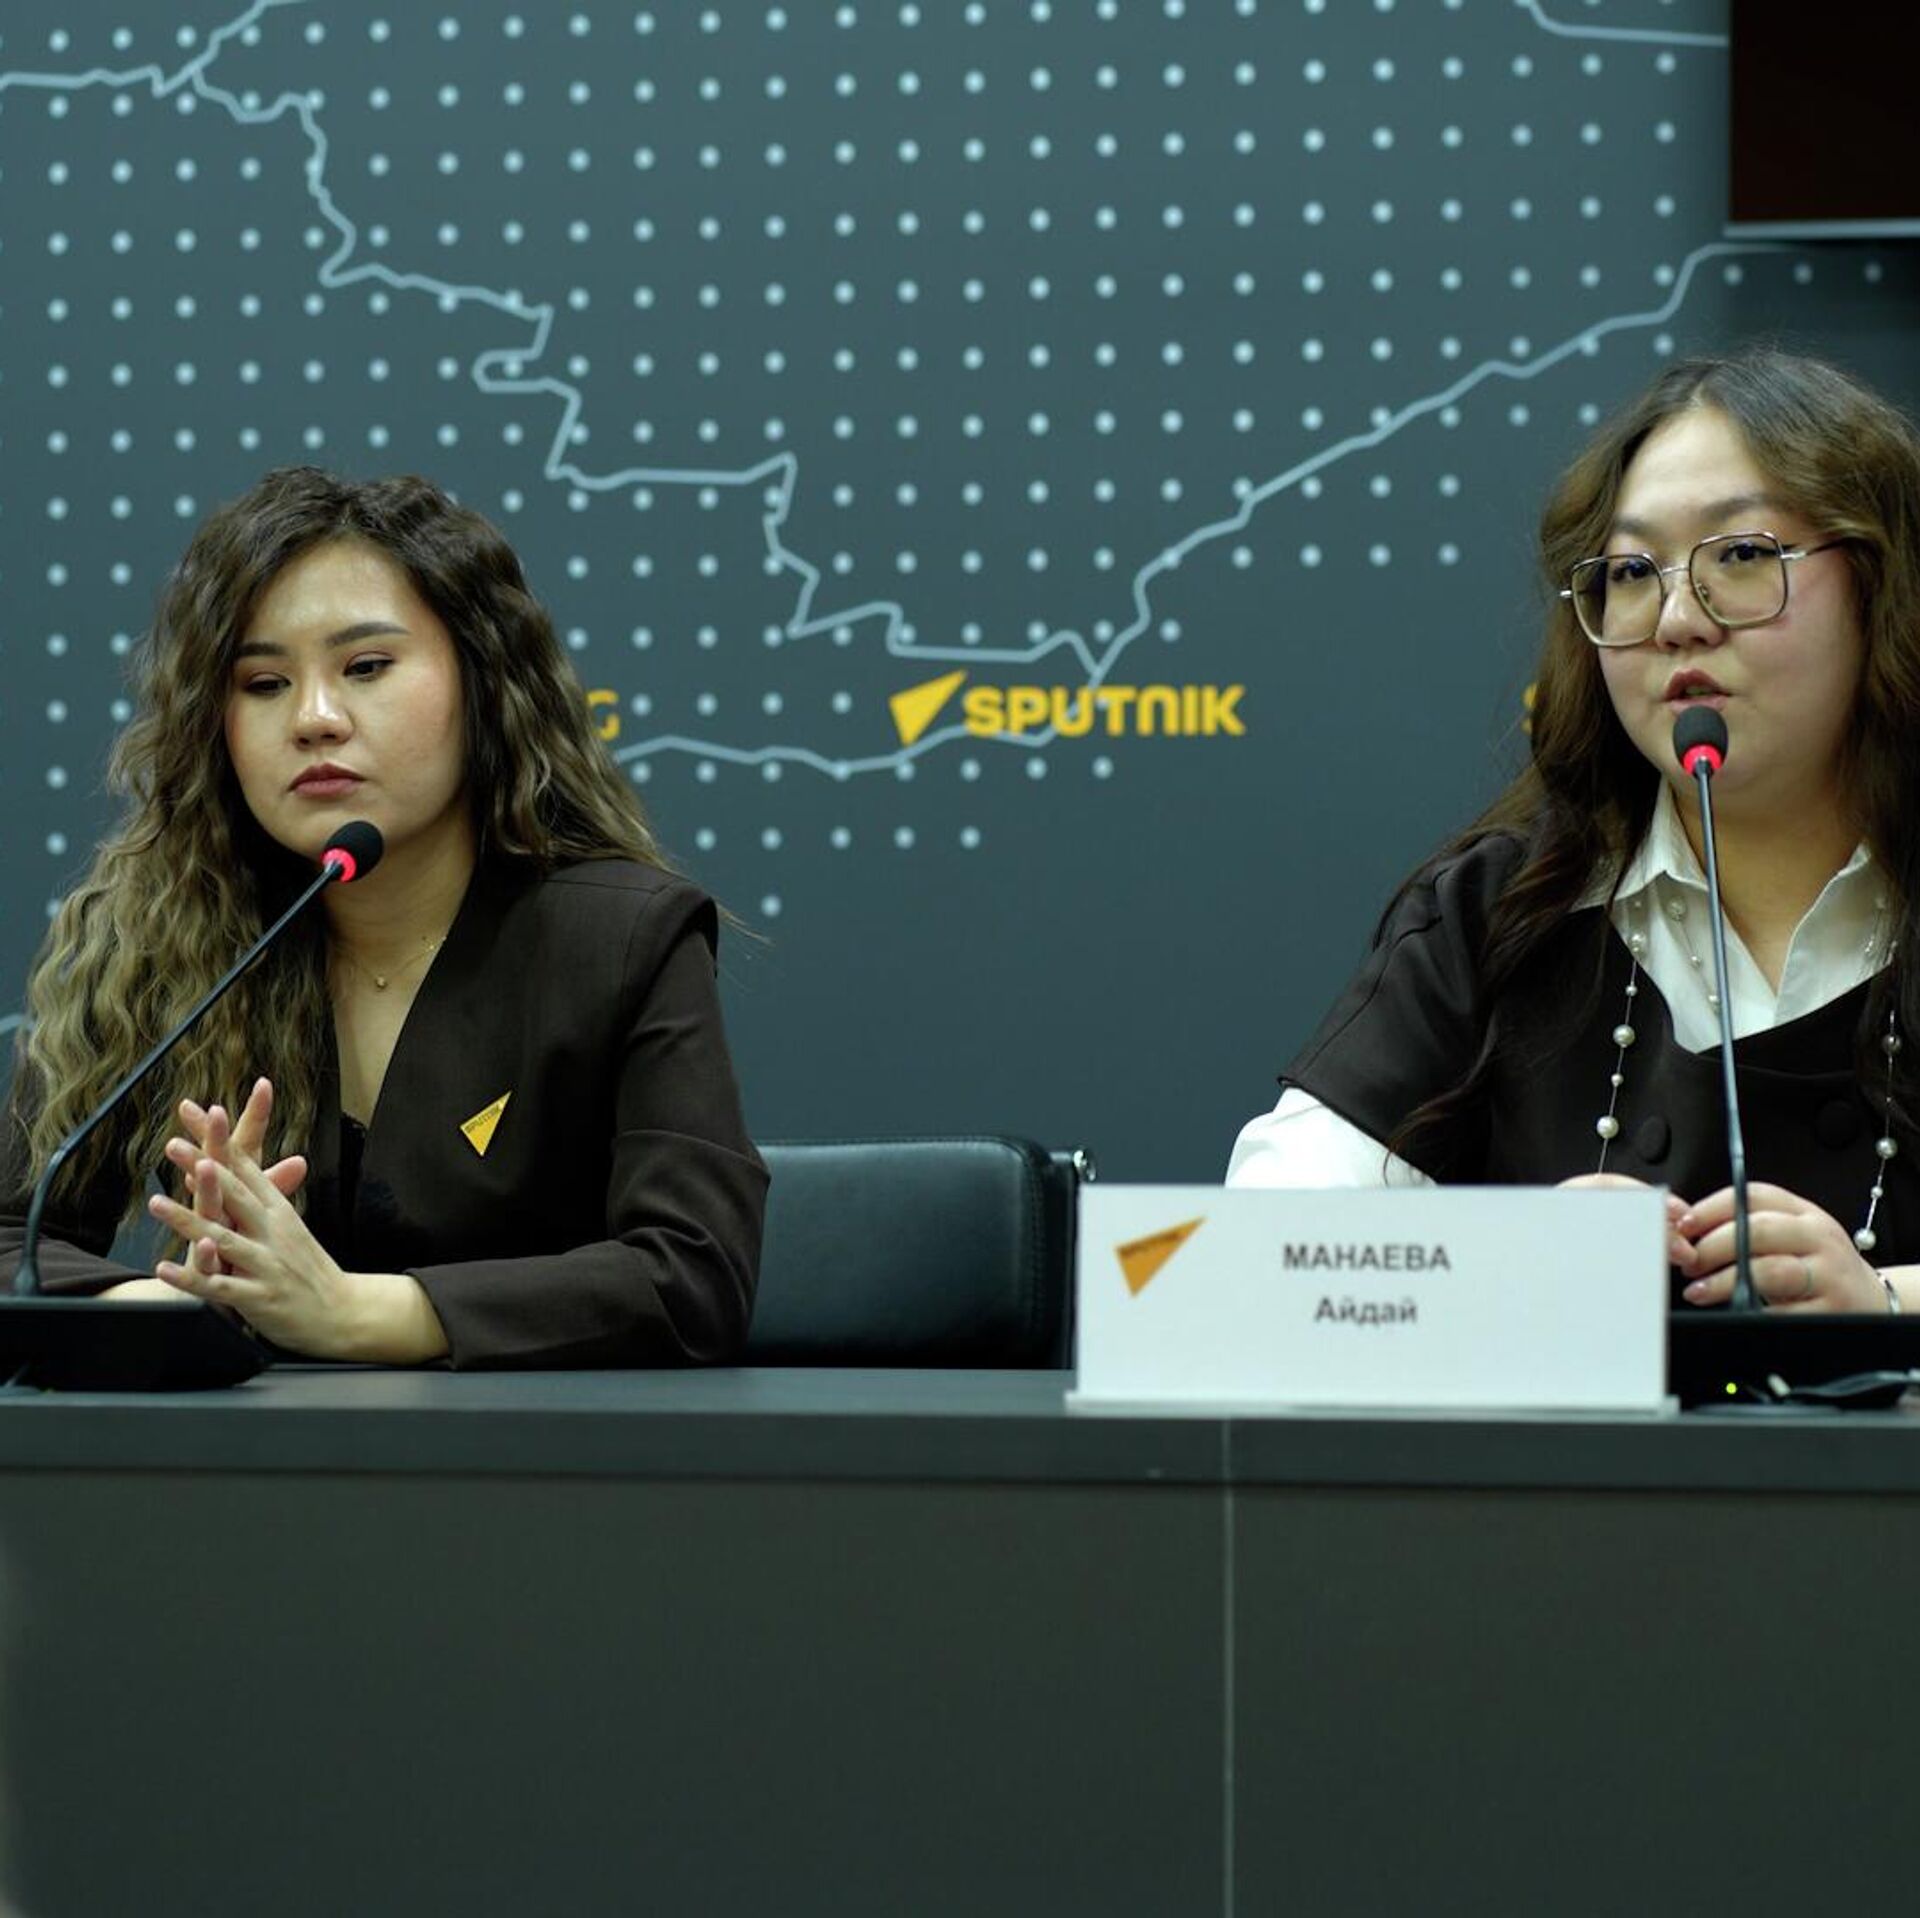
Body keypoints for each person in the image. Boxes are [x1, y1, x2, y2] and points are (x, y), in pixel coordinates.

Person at [0, 467, 766, 1367]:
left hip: (538, 1448)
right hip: (249, 1454)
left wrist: (357, 1313)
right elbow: (15, 1234)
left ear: (484, 683)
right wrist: (170, 1309)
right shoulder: (162, 938)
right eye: (263, 683)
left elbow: (693, 1276)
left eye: (366, 668)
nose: (315, 719)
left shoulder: (620, 939)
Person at [1227, 347, 1920, 1314]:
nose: (1676, 618)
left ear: (1882, 584)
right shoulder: (1503, 912)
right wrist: (1505, 1266)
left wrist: (1885, 1305)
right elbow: (1259, 1259)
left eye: (1741, 556)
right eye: (1631, 571)